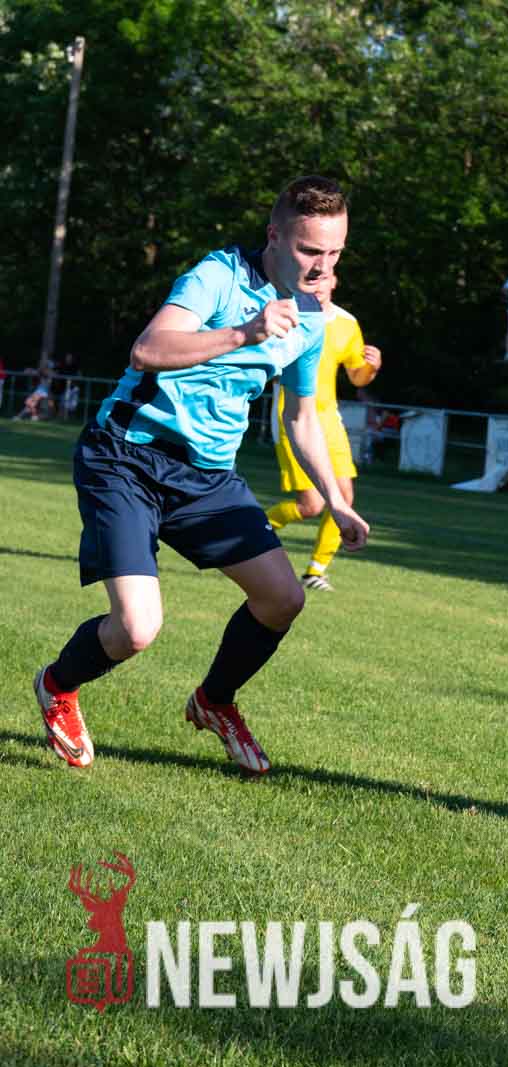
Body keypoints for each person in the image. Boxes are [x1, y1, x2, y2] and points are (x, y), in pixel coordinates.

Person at [32, 175, 368, 777]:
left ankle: (214, 702)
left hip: (208, 476)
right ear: (274, 236)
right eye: (309, 250)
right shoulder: (219, 274)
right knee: (136, 629)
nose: (322, 267)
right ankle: (57, 685)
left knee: (283, 598)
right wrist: (245, 331)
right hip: (127, 457)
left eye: (335, 253)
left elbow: (300, 417)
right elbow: (148, 350)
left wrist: (336, 501)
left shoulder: (314, 319)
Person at [265, 272, 382, 591]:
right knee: (311, 505)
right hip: (291, 413)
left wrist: (371, 367)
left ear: (334, 282)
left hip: (329, 418)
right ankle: (250, 532)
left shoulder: (347, 323)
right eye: (312, 280)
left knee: (344, 497)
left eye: (324, 279)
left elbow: (357, 377)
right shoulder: (289, 314)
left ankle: (316, 571)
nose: (318, 285)